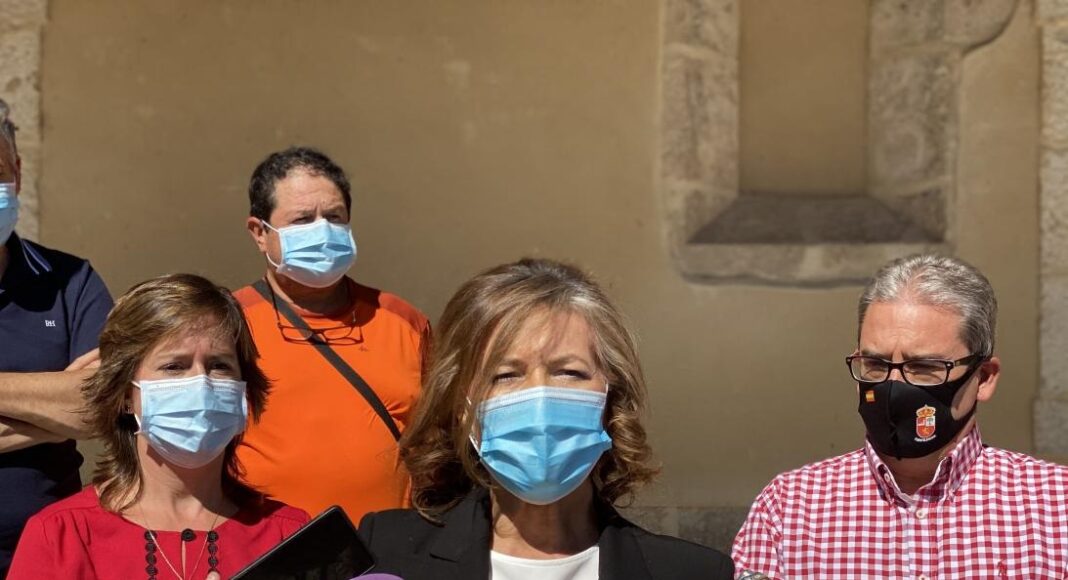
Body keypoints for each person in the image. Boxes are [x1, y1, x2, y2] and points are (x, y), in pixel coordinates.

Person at [359, 258, 734, 579]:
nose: (538, 398)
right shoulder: (388, 553)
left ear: (611, 398)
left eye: (569, 372)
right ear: (462, 406)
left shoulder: (690, 572)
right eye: (505, 375)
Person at [732, 254, 1068, 578]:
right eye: (875, 364)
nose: (894, 385)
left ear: (983, 378)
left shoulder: (1056, 507)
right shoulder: (789, 510)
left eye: (923, 367)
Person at [7, 274, 309, 579]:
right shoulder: (61, 535)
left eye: (219, 365)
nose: (201, 383)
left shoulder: (291, 537)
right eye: (174, 366)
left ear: (243, 389)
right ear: (126, 395)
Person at [234, 146, 430, 524]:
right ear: (259, 233)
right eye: (302, 219)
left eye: (334, 217)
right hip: (270, 549)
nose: (322, 231)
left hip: (389, 549)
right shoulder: (227, 324)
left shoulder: (402, 320)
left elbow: (439, 438)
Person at [0, 97, 114, 576]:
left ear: (18, 174)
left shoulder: (71, 282)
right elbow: (74, 408)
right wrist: (52, 404)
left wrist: (80, 407)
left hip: (46, 556)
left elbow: (100, 404)